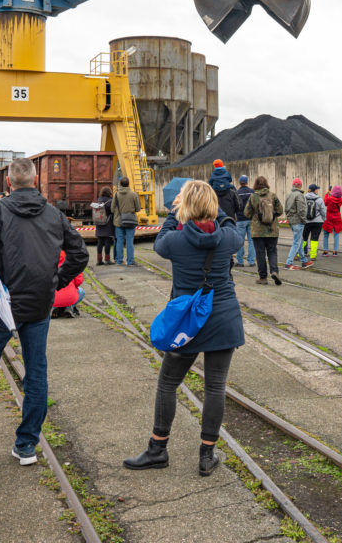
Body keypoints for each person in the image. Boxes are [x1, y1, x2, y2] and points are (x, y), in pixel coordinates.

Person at [0, 158, 90, 474]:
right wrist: (56, 282)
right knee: (36, 371)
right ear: (36, 182)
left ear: (9, 183)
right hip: (38, 305)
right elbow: (80, 254)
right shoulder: (53, 214)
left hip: (3, 304)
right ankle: (26, 445)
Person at [123, 180, 244, 476]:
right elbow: (231, 225)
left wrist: (173, 211)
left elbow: (160, 240)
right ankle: (206, 456)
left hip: (187, 324)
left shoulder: (176, 241)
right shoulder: (228, 238)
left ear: (184, 206)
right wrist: (216, 212)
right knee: (215, 387)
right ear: (213, 207)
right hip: (222, 320)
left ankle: (157, 449)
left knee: (167, 384)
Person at [244, 176, 283, 285]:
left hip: (258, 231)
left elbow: (246, 213)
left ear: (255, 185)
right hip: (272, 230)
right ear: (266, 184)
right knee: (272, 252)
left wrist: (256, 215)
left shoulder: (253, 196)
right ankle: (275, 271)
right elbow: (280, 211)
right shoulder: (273, 195)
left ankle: (263, 278)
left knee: (260, 254)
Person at [113, 176, 141, 266]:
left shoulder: (116, 195)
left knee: (119, 241)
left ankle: (119, 260)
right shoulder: (133, 194)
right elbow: (138, 208)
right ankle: (130, 261)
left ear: (120, 184)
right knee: (129, 241)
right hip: (130, 221)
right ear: (128, 184)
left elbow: (112, 209)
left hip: (118, 221)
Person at [283, 178, 309, 269]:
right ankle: (289, 263)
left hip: (291, 221)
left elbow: (286, 208)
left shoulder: (289, 195)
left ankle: (304, 261)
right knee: (296, 243)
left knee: (300, 241)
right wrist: (304, 220)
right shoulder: (299, 195)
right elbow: (301, 210)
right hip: (298, 221)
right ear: (300, 185)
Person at [91, 186, 115, 266]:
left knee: (100, 242)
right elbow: (112, 211)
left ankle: (99, 260)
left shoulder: (98, 200)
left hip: (99, 222)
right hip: (107, 223)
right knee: (107, 241)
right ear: (110, 193)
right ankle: (107, 259)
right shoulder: (110, 201)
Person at [235, 175, 254, 266]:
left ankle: (240, 261)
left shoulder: (237, 192)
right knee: (251, 241)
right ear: (247, 182)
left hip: (240, 219)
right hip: (251, 219)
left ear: (240, 182)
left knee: (240, 241)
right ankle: (251, 261)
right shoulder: (252, 192)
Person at [303, 184, 325, 263]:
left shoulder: (304, 198)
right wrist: (323, 219)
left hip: (306, 222)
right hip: (317, 222)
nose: (317, 190)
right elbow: (323, 211)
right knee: (314, 239)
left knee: (304, 238)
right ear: (314, 190)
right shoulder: (319, 199)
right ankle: (313, 256)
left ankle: (302, 253)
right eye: (317, 189)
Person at [321, 186, 342, 256]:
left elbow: (325, 203)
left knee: (325, 234)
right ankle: (335, 251)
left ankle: (325, 251)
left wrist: (327, 194)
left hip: (329, 218)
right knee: (336, 234)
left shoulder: (329, 199)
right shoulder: (341, 200)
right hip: (337, 218)